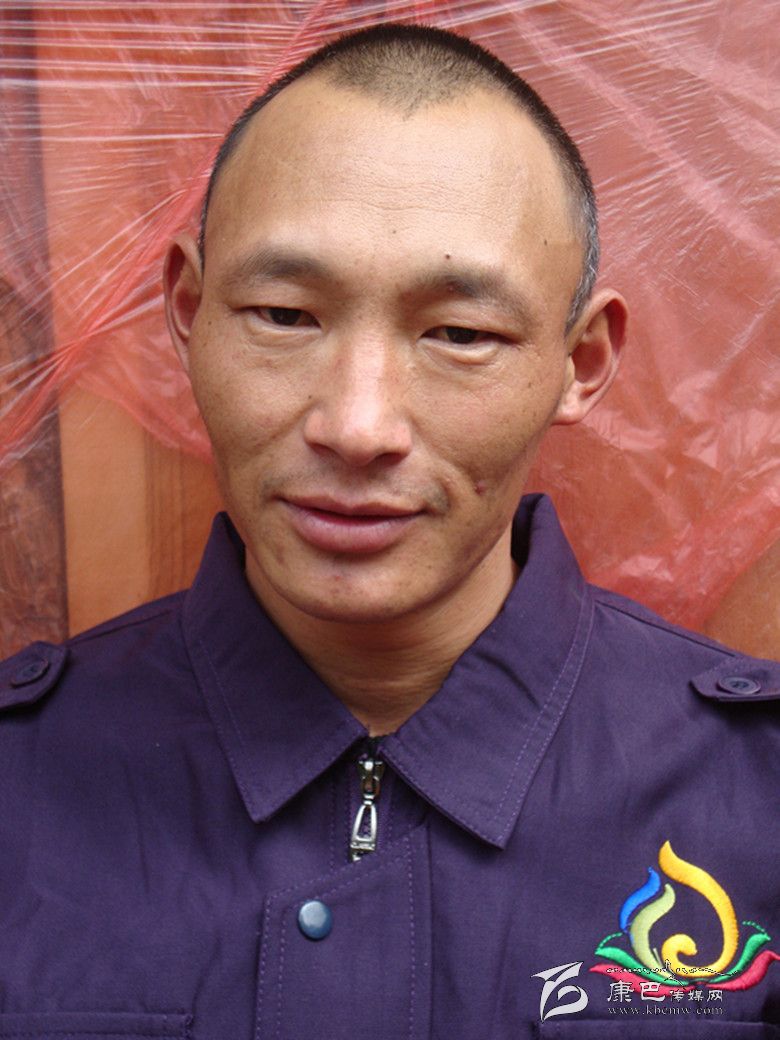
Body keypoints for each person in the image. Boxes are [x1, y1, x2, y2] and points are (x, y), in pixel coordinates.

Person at [0, 22, 777, 1040]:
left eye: (459, 334)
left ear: (581, 363)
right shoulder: (23, 781)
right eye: (284, 315)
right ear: (188, 311)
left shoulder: (753, 791)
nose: (357, 426)